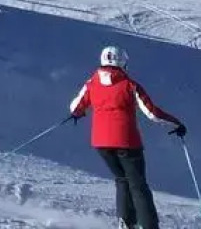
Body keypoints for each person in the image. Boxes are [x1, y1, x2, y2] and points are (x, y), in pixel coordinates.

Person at [69, 45, 186, 229]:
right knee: (138, 185)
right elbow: (152, 113)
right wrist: (176, 124)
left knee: (122, 180)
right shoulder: (130, 85)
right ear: (122, 61)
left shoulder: (92, 82)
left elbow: (76, 107)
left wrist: (77, 113)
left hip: (101, 143)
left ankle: (126, 222)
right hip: (127, 142)